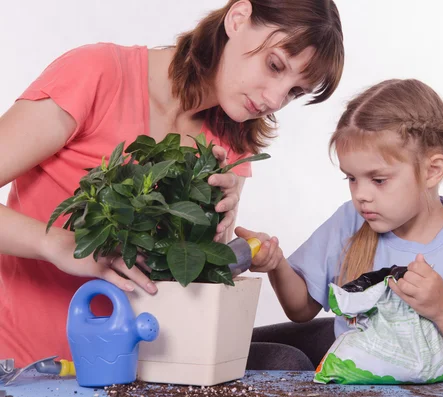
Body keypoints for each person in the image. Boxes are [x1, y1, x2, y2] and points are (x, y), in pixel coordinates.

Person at [0, 0, 344, 367]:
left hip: (148, 366)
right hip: (31, 366)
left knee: (318, 345)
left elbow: (186, 285)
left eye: (294, 92)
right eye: (274, 65)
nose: (274, 99)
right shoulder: (98, 75)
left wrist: (217, 234)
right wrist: (57, 243)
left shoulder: (231, 139)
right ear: (238, 18)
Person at [237, 79, 443, 386]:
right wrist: (277, 264)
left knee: (282, 361)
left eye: (379, 180)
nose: (361, 195)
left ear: (432, 170)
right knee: (236, 353)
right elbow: (301, 308)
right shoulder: (351, 220)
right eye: (352, 179)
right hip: (348, 371)